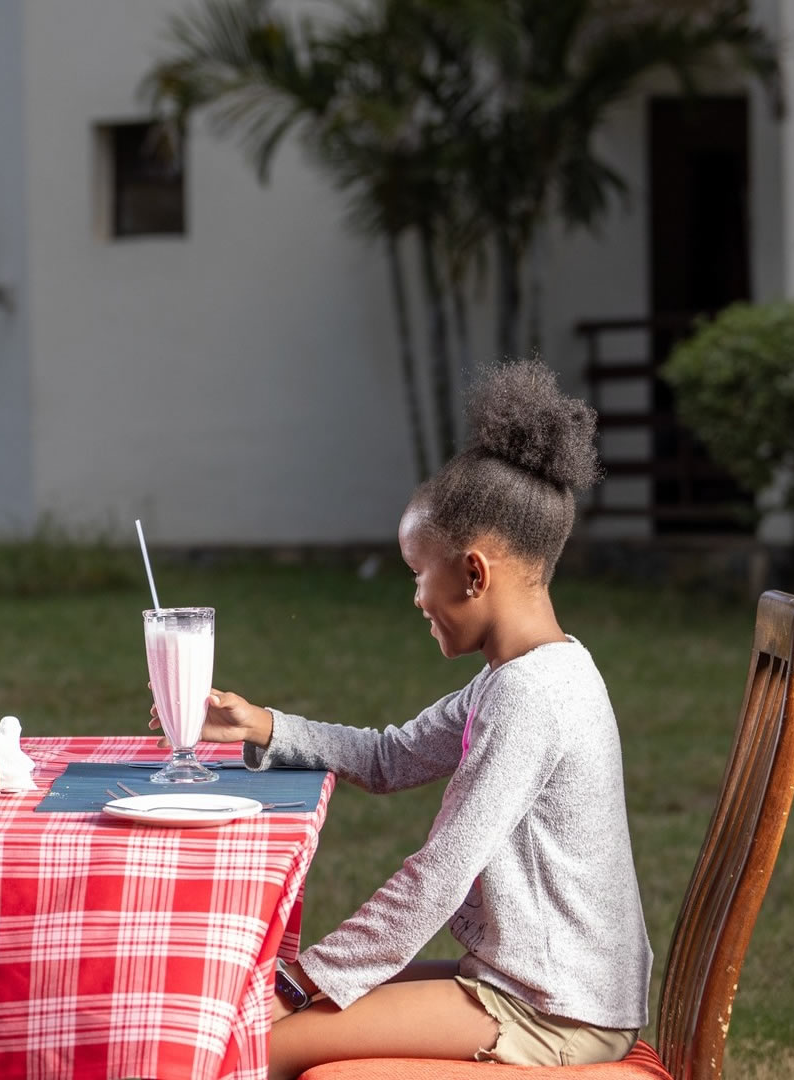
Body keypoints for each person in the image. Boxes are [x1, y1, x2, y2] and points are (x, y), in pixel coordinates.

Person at [164, 362, 651, 1078]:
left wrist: (304, 984)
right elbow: (392, 758)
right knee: (260, 1013)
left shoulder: (530, 697)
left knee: (256, 1045)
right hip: (538, 986)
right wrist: (263, 724)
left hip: (550, 1011)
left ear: (474, 573)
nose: (417, 599)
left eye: (418, 574)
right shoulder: (523, 674)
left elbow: (440, 873)